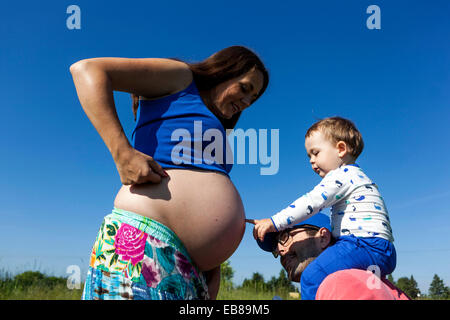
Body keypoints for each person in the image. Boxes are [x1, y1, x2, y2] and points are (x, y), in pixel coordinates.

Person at [69, 46, 269, 300]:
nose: (246, 102)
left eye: (253, 99)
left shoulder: (216, 128)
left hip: (192, 272)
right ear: (222, 72)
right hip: (144, 244)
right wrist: (122, 152)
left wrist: (212, 260)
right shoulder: (181, 78)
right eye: (244, 88)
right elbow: (87, 69)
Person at [249, 117, 396, 300]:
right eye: (309, 156)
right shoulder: (360, 178)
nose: (311, 161)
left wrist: (274, 222)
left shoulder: (342, 175)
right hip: (383, 251)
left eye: (315, 153)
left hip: (363, 244)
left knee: (311, 277)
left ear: (341, 149)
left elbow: (311, 201)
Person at [246, 213, 409, 300]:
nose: (280, 250)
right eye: (275, 247)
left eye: (285, 237)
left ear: (323, 238)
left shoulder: (341, 282)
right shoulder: (358, 280)